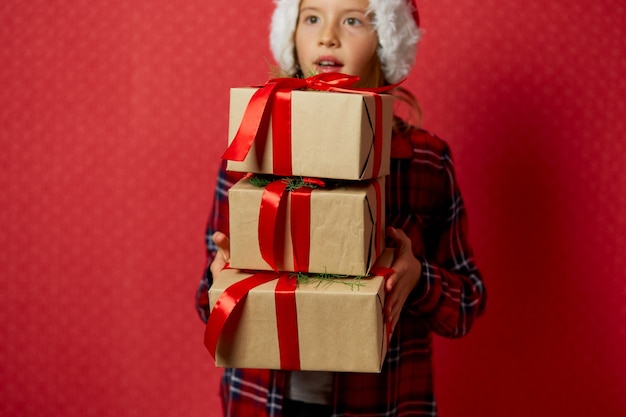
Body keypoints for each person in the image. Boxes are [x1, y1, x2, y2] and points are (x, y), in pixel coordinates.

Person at [196, 0, 487, 415]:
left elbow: (467, 303)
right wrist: (222, 279)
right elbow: (204, 300)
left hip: (379, 403)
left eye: (352, 20)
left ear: (386, 41)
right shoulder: (251, 148)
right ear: (291, 35)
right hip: (267, 400)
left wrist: (416, 279)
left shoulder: (425, 160)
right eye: (312, 17)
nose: (327, 35)